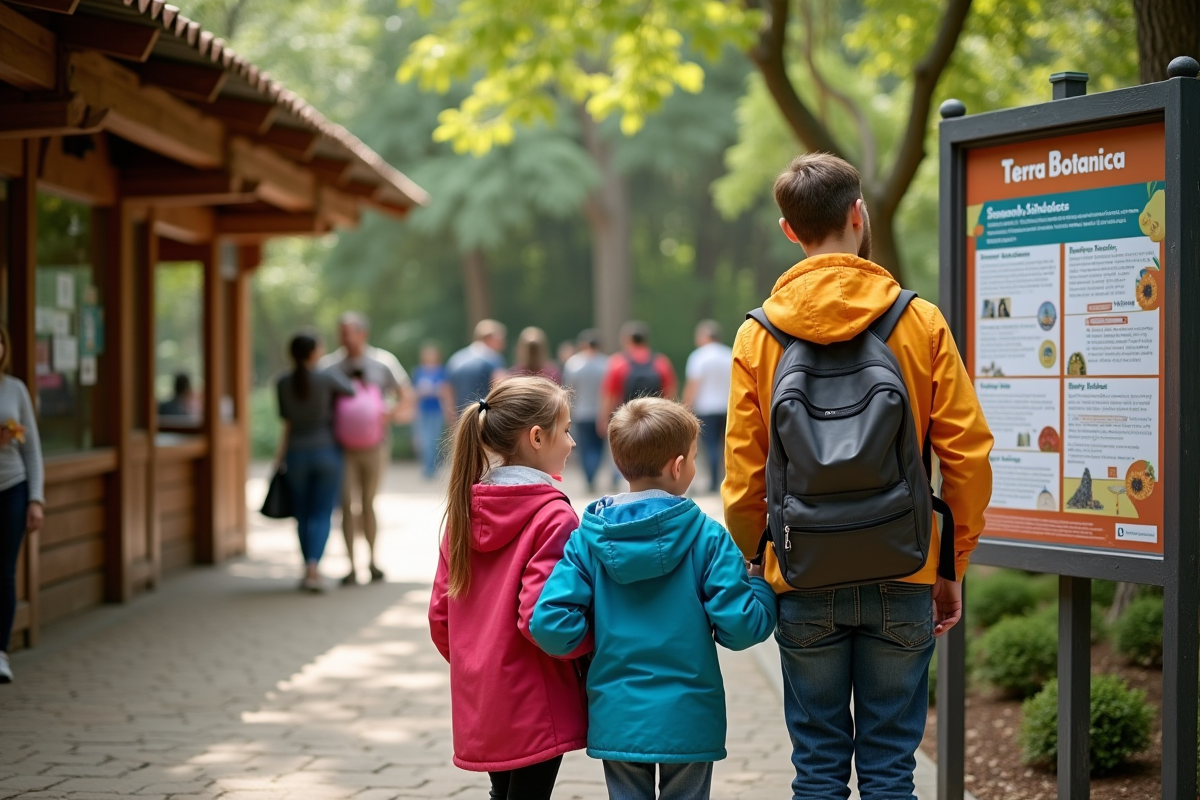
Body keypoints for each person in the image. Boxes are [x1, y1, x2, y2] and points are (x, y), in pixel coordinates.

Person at [722, 153, 993, 799]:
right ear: (857, 213)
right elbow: (968, 456)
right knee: (891, 768)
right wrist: (948, 564)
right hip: (903, 565)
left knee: (816, 765)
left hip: (804, 569)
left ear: (791, 231)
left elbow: (741, 477)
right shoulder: (917, 320)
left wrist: (760, 560)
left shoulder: (758, 336)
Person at [532, 397, 777, 800]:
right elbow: (741, 628)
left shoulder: (587, 541)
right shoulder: (708, 537)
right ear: (678, 466)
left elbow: (550, 625)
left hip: (618, 711)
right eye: (695, 459)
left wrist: (600, 631)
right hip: (690, 715)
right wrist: (760, 583)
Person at [428, 376, 588, 800]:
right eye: (566, 429)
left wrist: (475, 661)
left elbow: (440, 616)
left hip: (482, 697)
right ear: (537, 437)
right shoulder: (554, 516)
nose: (572, 442)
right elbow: (541, 618)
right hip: (537, 698)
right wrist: (589, 646)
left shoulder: (466, 508)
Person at [319, 312, 415, 585]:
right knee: (346, 506)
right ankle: (351, 566)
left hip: (375, 446)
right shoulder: (330, 366)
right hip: (341, 448)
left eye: (349, 332)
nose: (344, 338)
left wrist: (391, 414)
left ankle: (372, 562)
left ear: (363, 334)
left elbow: (406, 395)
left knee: (368, 503)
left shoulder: (383, 362)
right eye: (341, 333)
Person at [276, 332, 354, 593]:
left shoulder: (282, 383)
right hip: (327, 453)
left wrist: (279, 458)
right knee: (322, 513)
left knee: (302, 515)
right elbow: (351, 390)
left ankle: (306, 569)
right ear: (313, 353)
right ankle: (313, 569)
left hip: (296, 454)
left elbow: (286, 423)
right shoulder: (326, 378)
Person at [0, 324, 43, 684]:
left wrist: (36, 498)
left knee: (4, 572)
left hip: (13, 488)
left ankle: (0, 652)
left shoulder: (16, 389)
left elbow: (32, 448)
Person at [597, 321, 677, 438]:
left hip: (627, 422)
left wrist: (604, 419)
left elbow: (609, 395)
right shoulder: (661, 362)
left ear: (627, 340)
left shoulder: (618, 363)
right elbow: (670, 393)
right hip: (655, 420)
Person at [682, 320, 732, 494]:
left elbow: (693, 384)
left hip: (706, 408)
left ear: (704, 336)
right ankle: (729, 478)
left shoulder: (698, 356)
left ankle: (713, 481)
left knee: (710, 445)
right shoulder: (729, 354)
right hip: (728, 406)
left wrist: (686, 407)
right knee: (726, 445)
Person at [561, 329, 608, 491]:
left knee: (584, 447)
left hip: (581, 412)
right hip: (600, 411)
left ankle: (589, 476)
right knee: (598, 447)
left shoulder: (574, 364)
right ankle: (593, 473)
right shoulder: (606, 364)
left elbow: (569, 390)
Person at [446, 319, 507, 414]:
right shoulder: (492, 357)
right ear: (490, 338)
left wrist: (451, 417)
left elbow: (448, 391)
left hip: (462, 418)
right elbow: (500, 386)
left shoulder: (456, 359)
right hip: (485, 417)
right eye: (500, 339)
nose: (503, 344)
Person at [412, 343, 452, 479]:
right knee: (423, 440)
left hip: (436, 410)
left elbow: (445, 391)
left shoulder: (441, 371)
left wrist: (434, 390)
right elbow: (413, 392)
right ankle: (427, 467)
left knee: (433, 440)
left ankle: (432, 468)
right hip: (423, 410)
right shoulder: (418, 371)